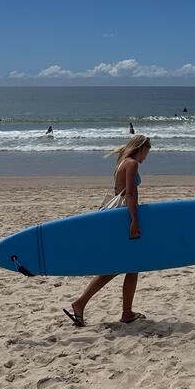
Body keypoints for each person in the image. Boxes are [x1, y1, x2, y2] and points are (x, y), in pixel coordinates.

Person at [63, 135, 152, 327]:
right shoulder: (132, 164)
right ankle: (80, 303)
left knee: (131, 265)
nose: (147, 156)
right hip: (125, 216)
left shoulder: (121, 162)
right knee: (118, 265)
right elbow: (129, 194)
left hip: (119, 215)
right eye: (147, 152)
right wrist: (134, 221)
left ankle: (126, 312)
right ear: (141, 149)